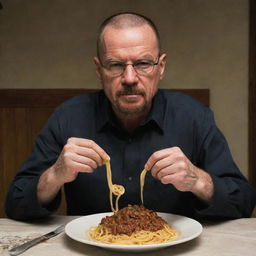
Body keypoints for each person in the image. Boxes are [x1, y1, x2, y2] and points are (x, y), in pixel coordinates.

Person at [5, 12, 256, 221]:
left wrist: (197, 179)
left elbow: (244, 203)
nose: (129, 78)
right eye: (115, 65)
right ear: (98, 69)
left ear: (162, 67)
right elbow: (15, 204)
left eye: (143, 63)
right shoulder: (67, 117)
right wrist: (55, 174)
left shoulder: (194, 117)